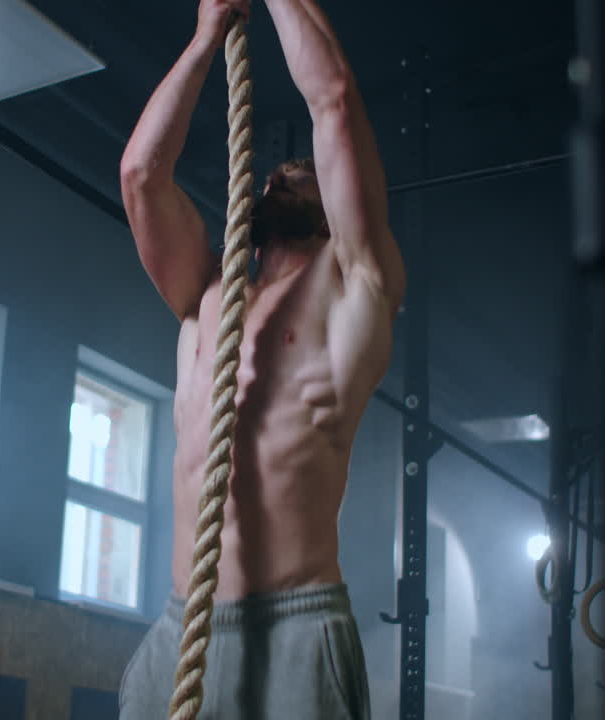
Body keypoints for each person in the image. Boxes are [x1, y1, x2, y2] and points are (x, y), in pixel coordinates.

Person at [117, 0, 405, 716]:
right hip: (180, 629)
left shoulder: (355, 289)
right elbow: (141, 175)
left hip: (296, 632)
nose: (281, 173)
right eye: (276, 169)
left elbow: (332, 98)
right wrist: (207, 33)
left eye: (302, 170)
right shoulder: (203, 296)